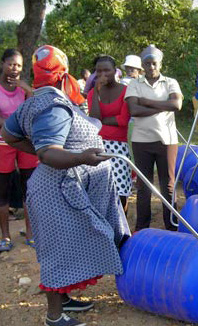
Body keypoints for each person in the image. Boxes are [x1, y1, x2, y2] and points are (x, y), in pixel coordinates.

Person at [1, 45, 130, 326]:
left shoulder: (33, 102)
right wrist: (81, 157)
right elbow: (49, 152)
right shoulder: (53, 106)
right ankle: (54, 316)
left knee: (72, 244)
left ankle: (66, 298)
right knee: (59, 252)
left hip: (63, 189)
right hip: (56, 190)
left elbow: (8, 135)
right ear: (62, 77)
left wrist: (36, 149)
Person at [125, 44, 183, 231]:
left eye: (154, 63)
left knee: (168, 185)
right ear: (142, 65)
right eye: (147, 64)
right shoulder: (135, 83)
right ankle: (142, 228)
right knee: (144, 186)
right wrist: (162, 105)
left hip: (167, 140)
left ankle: (172, 225)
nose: (151, 67)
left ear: (160, 64)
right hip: (141, 140)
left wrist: (146, 102)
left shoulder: (170, 82)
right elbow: (134, 110)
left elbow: (176, 105)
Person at [0, 49, 37, 251]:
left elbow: (33, 110)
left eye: (19, 65)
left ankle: (30, 233)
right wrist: (12, 125)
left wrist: (27, 89)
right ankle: (5, 236)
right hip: (3, 143)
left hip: (24, 143)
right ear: (3, 63)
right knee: (2, 191)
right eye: (11, 64)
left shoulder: (24, 89)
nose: (14, 68)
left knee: (29, 189)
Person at [87, 55, 131, 214]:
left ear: (115, 71)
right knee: (100, 190)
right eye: (99, 71)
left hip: (119, 147)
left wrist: (102, 121)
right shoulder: (93, 92)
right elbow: (94, 118)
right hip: (98, 146)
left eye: (107, 70)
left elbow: (123, 120)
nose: (103, 74)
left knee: (120, 190)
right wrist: (97, 93)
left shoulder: (125, 91)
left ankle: (123, 227)